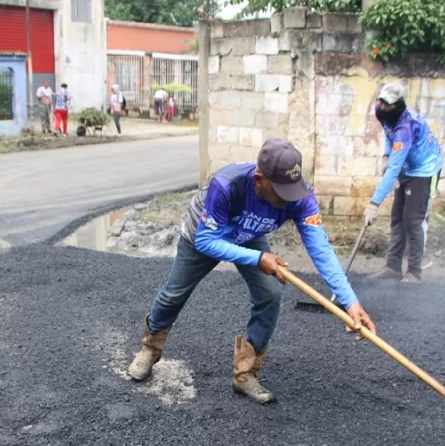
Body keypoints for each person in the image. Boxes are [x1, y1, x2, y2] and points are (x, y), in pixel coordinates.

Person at [127, 138, 376, 404]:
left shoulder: (299, 196)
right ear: (259, 179)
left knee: (270, 294)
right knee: (174, 294)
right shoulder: (226, 185)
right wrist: (259, 258)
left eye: (291, 189)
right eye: (280, 190)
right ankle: (150, 348)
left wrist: (350, 301)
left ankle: (245, 374)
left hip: (248, 236)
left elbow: (321, 250)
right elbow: (206, 241)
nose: (287, 197)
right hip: (205, 235)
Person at [363, 82, 444, 283]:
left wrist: (374, 203)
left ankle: (414, 272)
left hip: (425, 169)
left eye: (388, 104)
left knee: (413, 219)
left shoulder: (406, 127)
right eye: (382, 101)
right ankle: (392, 267)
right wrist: (385, 154)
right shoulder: (381, 111)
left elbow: (392, 171)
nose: (383, 106)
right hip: (407, 164)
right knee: (397, 217)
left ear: (399, 104)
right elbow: (388, 132)